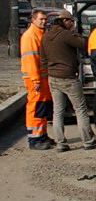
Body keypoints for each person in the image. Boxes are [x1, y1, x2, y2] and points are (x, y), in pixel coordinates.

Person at [40, 10, 96, 152]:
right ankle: (88, 142)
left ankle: (61, 144)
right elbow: (83, 44)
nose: (72, 24)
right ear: (65, 21)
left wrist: (50, 70)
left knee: (58, 112)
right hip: (68, 78)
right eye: (71, 22)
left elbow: (42, 59)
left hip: (53, 78)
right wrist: (74, 32)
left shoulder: (46, 36)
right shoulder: (66, 35)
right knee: (80, 110)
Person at [20, 9, 53, 150]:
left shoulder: (40, 34)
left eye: (45, 19)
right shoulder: (30, 36)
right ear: (33, 20)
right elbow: (30, 60)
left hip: (42, 77)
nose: (44, 21)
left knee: (42, 107)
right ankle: (34, 139)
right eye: (41, 19)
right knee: (36, 108)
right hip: (36, 78)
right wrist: (35, 80)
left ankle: (42, 135)